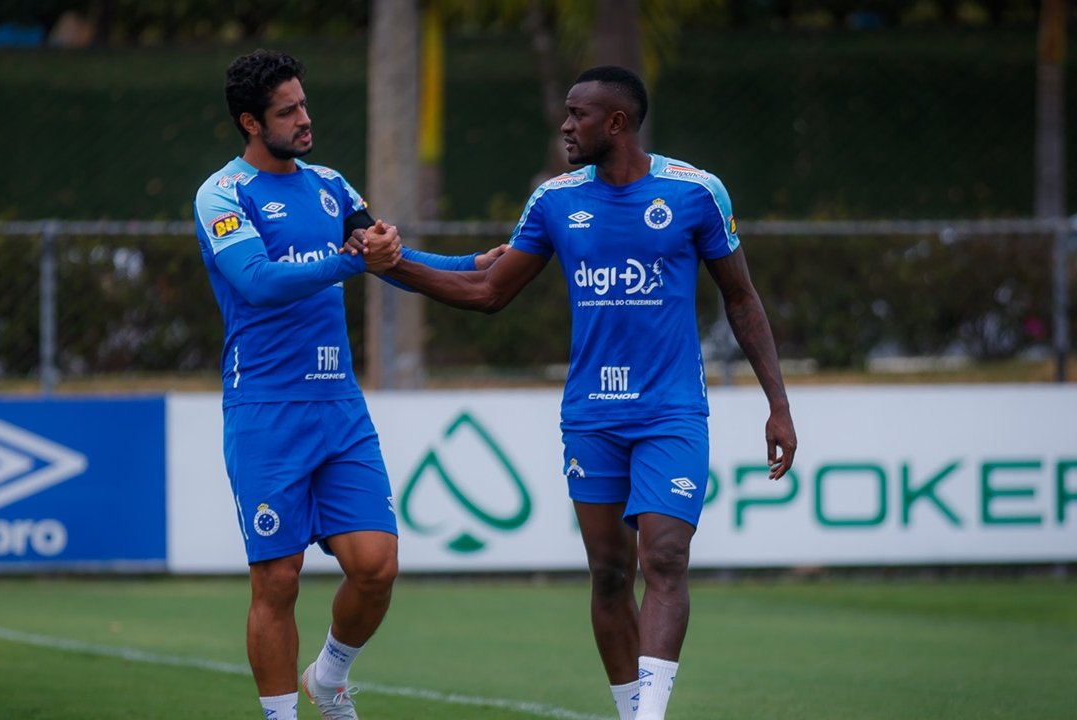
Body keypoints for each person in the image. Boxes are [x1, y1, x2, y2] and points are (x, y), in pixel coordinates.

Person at [373, 66, 797, 720]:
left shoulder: (696, 192)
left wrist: (779, 405)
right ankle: (630, 709)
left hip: (671, 412)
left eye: (578, 115)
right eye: (566, 114)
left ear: (618, 123)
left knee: (665, 555)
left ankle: (649, 715)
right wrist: (394, 266)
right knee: (608, 573)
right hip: (591, 417)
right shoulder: (554, 201)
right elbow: (488, 292)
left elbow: (740, 298)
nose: (565, 127)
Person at [192, 49, 502, 720]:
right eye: (287, 111)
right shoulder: (222, 194)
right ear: (251, 122)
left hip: (339, 407)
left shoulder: (330, 185)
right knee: (277, 580)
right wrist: (351, 262)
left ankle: (328, 678)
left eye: (304, 104)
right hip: (265, 409)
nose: (305, 119)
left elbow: (385, 256)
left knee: (376, 566)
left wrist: (468, 261)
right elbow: (257, 281)